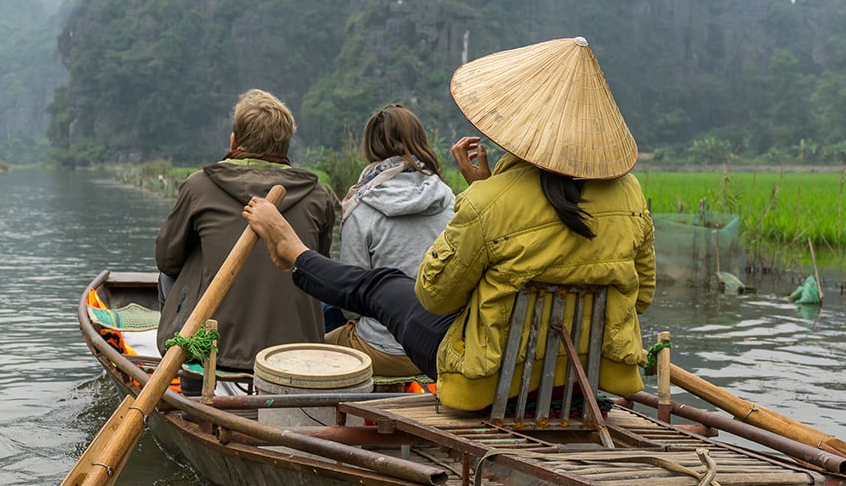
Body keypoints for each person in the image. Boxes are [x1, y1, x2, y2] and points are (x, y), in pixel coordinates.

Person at [242, 37, 655, 411]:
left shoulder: (489, 201)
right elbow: (640, 297)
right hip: (585, 372)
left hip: (492, 380)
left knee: (382, 285)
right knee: (385, 286)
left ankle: (293, 251)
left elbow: (435, 297)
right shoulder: (631, 195)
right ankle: (297, 255)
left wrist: (481, 194)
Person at [156, 88, 335, 394]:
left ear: (234, 141)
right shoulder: (319, 195)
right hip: (296, 354)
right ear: (286, 145)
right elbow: (316, 260)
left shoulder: (198, 186)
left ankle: (188, 370)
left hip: (215, 350)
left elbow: (167, 259)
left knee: (167, 275)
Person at [329, 103, 455, 376]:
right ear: (420, 141)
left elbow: (351, 305)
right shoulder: (449, 198)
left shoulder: (360, 206)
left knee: (312, 347)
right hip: (445, 346)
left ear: (370, 147)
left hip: (383, 349)